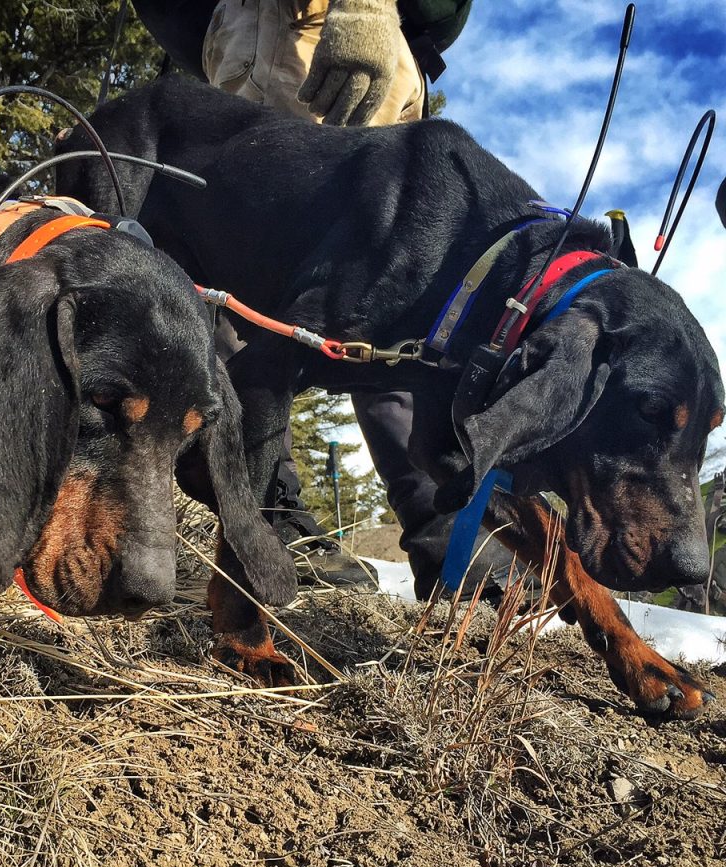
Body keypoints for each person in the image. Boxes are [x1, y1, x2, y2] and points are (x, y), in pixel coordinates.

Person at [131, 0, 488, 597]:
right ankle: (273, 519)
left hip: (315, 37)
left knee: (382, 295)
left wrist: (366, 6)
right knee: (239, 299)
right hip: (256, 40)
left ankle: (450, 539)